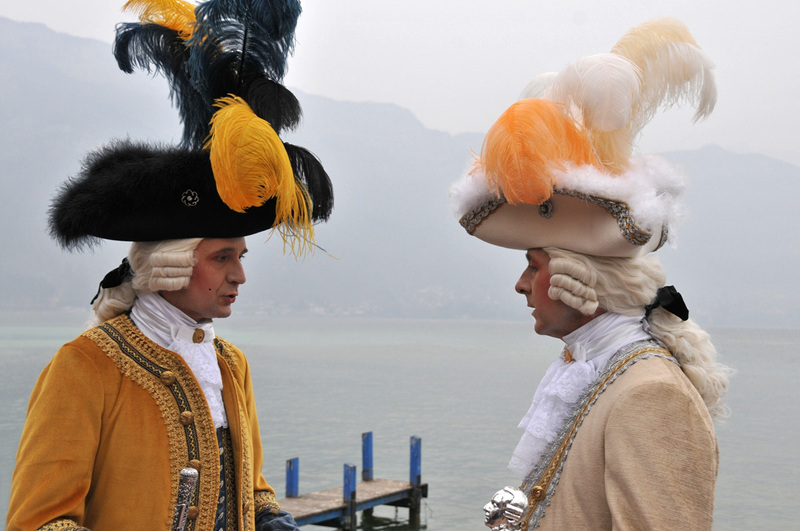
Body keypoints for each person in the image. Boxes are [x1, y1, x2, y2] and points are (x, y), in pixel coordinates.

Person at [7, 1, 333, 530]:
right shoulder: (85, 366)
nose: (239, 275)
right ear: (171, 265)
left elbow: (252, 489)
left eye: (241, 256)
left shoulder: (232, 365)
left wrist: (272, 520)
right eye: (222, 257)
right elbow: (40, 521)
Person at [451, 18, 731, 530]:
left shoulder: (650, 393)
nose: (520, 284)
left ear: (579, 279)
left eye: (532, 266)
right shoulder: (598, 370)